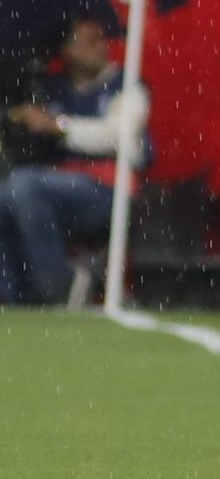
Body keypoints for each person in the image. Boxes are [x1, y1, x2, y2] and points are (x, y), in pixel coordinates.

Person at [0, 18, 148, 305]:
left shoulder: (126, 86)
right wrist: (23, 118)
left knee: (23, 186)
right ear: (67, 51)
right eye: (91, 41)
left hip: (109, 192)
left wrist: (59, 126)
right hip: (47, 194)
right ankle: (14, 296)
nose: (103, 47)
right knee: (8, 193)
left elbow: (120, 139)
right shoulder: (46, 87)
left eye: (102, 39)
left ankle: (61, 288)